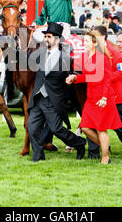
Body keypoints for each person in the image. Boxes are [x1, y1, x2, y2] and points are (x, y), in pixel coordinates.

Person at [27, 22, 86, 162]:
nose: (46, 39)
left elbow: (75, 75)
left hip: (53, 100)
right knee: (32, 127)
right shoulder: (39, 54)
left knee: (56, 129)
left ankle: (79, 143)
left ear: (58, 39)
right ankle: (38, 156)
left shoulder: (66, 59)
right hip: (38, 98)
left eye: (49, 36)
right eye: (45, 36)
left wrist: (72, 79)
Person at [66, 29, 122, 164]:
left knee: (101, 129)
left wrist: (104, 97)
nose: (83, 43)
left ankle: (105, 158)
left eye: (86, 41)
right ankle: (105, 146)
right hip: (91, 97)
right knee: (85, 127)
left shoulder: (101, 58)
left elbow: (107, 79)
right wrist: (75, 78)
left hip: (102, 97)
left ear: (94, 43)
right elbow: (88, 77)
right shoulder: (88, 57)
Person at [86, 25, 122, 159]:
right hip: (97, 95)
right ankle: (94, 153)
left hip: (113, 94)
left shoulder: (114, 52)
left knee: (118, 127)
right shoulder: (92, 51)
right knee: (93, 124)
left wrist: (104, 77)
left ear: (102, 37)